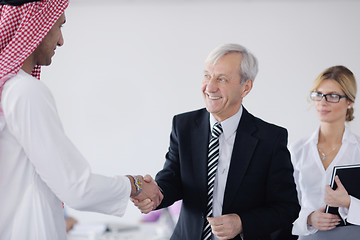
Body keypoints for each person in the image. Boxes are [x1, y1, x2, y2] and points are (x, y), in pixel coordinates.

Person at [0, 1, 162, 239]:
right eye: (58, 27)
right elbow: (76, 188)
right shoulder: (24, 91)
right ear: (38, 25)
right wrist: (134, 184)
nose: (61, 41)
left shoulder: (9, 90)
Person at [133, 43, 300, 240]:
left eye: (221, 79)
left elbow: (287, 208)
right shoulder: (183, 125)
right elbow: (172, 179)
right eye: (207, 76)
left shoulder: (270, 139)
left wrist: (242, 223)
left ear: (245, 87)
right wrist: (155, 195)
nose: (210, 87)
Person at [290, 65, 360, 240]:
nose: (323, 102)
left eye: (333, 96)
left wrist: (348, 203)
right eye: (318, 95)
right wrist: (309, 218)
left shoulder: (358, 148)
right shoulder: (296, 150)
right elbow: (284, 207)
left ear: (350, 101)